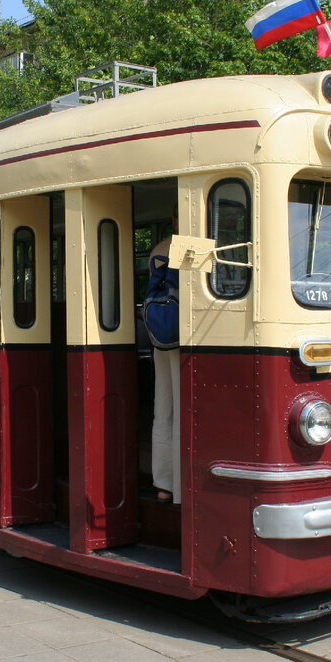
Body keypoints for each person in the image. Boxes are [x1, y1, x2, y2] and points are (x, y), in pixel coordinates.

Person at [148, 213, 180, 504]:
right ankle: (181, 485)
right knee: (183, 409)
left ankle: (163, 483)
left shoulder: (159, 248)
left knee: (164, 408)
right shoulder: (189, 247)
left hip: (161, 335)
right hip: (184, 338)